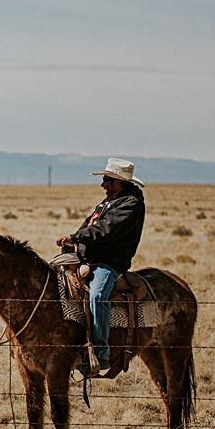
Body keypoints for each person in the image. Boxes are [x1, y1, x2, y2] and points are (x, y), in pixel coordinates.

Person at [56, 158, 146, 375]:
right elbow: (90, 224)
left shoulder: (131, 205)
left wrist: (75, 236)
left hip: (109, 263)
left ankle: (101, 353)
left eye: (106, 180)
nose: (102, 184)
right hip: (89, 259)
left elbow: (107, 229)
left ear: (118, 182)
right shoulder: (107, 203)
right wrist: (74, 244)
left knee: (97, 295)